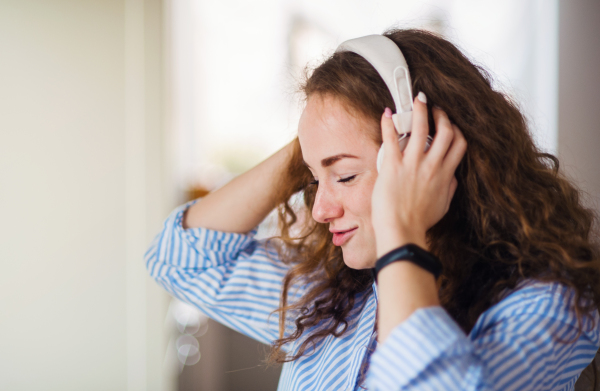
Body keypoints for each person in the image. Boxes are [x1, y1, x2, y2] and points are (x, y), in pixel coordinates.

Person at [145, 29, 600, 390]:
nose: (320, 209)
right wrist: (318, 140)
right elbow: (180, 257)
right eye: (312, 179)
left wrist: (403, 232)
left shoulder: (551, 308)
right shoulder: (334, 292)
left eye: (344, 176)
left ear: (425, 152)